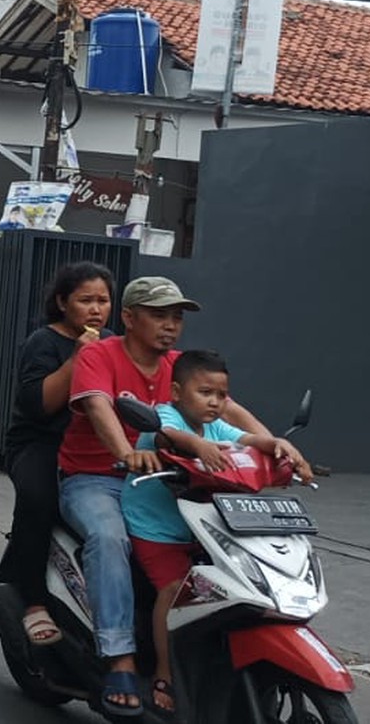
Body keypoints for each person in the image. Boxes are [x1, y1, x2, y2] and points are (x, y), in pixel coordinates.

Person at [60, 277, 272, 715]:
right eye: (159, 315)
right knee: (108, 537)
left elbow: (232, 413)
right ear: (129, 317)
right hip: (97, 477)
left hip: (171, 482)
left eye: (176, 317)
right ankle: (119, 657)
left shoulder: (182, 367)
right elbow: (101, 406)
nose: (170, 325)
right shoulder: (99, 354)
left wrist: (274, 449)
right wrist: (124, 453)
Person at [121, 349, 312, 712]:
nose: (214, 402)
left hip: (203, 526)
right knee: (174, 590)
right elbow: (166, 434)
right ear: (177, 392)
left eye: (221, 395)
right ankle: (165, 674)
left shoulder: (215, 426)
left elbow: (247, 440)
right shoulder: (168, 414)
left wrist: (278, 445)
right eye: (204, 392)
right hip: (156, 528)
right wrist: (196, 445)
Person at [0, 261, 115, 647]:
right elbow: (39, 405)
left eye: (103, 300)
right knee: (40, 497)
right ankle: (33, 601)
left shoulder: (112, 343)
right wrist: (78, 359)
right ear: (62, 302)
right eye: (86, 300)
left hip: (93, 447)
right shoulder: (43, 343)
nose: (96, 310)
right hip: (40, 443)